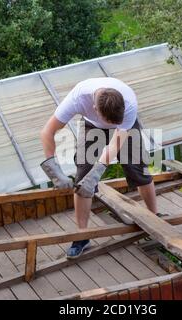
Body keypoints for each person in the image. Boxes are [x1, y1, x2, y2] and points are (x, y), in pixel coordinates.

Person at [40, 77, 161, 259]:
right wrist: (54, 171)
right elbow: (47, 132)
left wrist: (97, 173)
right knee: (83, 177)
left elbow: (114, 144)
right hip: (92, 126)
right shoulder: (77, 98)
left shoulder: (128, 103)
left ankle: (155, 218)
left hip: (125, 129)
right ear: (95, 110)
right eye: (108, 122)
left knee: (137, 168)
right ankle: (82, 236)